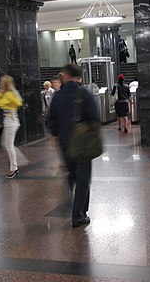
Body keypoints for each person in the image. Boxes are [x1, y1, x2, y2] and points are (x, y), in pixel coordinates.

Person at [47, 64, 99, 227]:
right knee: (83, 178)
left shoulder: (58, 95)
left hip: (65, 143)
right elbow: (95, 117)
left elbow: (50, 122)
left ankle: (78, 206)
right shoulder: (84, 93)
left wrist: (60, 133)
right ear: (77, 76)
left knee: (72, 176)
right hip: (82, 143)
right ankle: (78, 214)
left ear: (66, 75)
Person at [0, 75, 28, 179]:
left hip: (11, 122)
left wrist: (4, 96)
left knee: (8, 145)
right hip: (8, 121)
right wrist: (2, 96)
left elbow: (14, 103)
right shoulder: (5, 93)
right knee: (5, 144)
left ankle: (14, 168)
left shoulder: (10, 94)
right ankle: (19, 161)